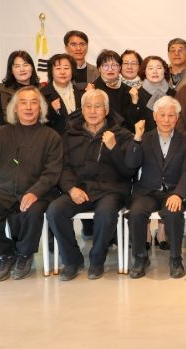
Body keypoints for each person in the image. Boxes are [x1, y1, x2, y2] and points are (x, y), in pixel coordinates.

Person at [0, 86, 62, 281]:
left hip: (38, 190)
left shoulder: (51, 136)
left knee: (32, 211)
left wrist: (35, 192)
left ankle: (25, 254)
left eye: (34, 102)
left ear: (40, 108)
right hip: (3, 188)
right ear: (15, 108)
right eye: (23, 103)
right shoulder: (1, 133)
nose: (28, 107)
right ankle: (7, 253)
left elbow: (52, 172)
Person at [47, 89, 137, 280]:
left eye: (98, 106)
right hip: (80, 189)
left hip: (111, 190)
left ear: (106, 110)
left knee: (105, 213)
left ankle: (97, 260)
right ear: (82, 109)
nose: (93, 111)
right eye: (88, 106)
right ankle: (72, 260)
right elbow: (62, 167)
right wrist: (71, 189)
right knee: (55, 210)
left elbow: (129, 171)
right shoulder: (70, 135)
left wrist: (114, 148)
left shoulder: (122, 134)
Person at [126, 97, 186, 279]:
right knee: (136, 212)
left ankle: (175, 259)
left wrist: (179, 194)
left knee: (173, 212)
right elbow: (130, 164)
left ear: (177, 118)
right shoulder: (144, 138)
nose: (166, 120)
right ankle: (140, 257)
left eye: (171, 115)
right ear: (154, 116)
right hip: (147, 191)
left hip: (173, 192)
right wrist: (137, 138)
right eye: (162, 115)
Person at [0, 50, 40, 126]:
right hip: (8, 132)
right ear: (11, 70)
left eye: (25, 65)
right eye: (17, 66)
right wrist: (19, 118)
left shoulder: (41, 89)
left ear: (32, 68)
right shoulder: (1, 89)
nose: (22, 69)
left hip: (37, 132)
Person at [92, 49, 137, 131]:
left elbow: (132, 120)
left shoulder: (129, 91)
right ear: (99, 68)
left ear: (120, 68)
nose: (110, 69)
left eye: (114, 65)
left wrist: (134, 102)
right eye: (105, 65)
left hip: (125, 135)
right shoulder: (92, 90)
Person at [130, 55, 176, 132]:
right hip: (145, 138)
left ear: (164, 71)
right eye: (150, 68)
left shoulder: (174, 94)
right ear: (144, 71)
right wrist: (134, 103)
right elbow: (130, 123)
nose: (155, 71)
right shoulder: (136, 94)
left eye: (159, 68)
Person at [41, 53, 83, 135]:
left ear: (72, 71)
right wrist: (52, 110)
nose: (62, 72)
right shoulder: (43, 94)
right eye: (58, 68)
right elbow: (39, 122)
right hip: (55, 139)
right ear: (51, 72)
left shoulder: (80, 92)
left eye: (66, 68)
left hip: (78, 139)